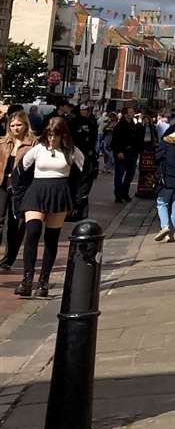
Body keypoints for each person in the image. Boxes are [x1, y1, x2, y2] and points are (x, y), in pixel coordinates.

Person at [14, 117, 86, 298]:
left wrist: (77, 198)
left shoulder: (71, 152)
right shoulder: (38, 149)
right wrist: (19, 196)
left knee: (51, 238)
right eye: (49, 135)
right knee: (32, 233)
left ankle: (43, 282)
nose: (52, 139)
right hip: (37, 192)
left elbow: (84, 175)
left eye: (56, 135)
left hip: (59, 195)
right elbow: (19, 171)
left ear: (63, 135)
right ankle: (27, 279)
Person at [0, 114, 36, 271]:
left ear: (25, 125)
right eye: (12, 125)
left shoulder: (33, 144)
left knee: (15, 224)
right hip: (2, 185)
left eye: (18, 125)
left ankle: (8, 259)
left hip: (20, 188)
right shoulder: (2, 142)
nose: (15, 128)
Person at [111, 106, 145, 202]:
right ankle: (118, 195)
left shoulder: (134, 125)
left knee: (130, 174)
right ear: (126, 114)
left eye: (133, 111)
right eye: (131, 112)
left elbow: (139, 136)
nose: (133, 113)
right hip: (123, 152)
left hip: (133, 153)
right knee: (119, 174)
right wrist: (119, 151)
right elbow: (116, 140)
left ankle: (125, 193)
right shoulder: (120, 125)